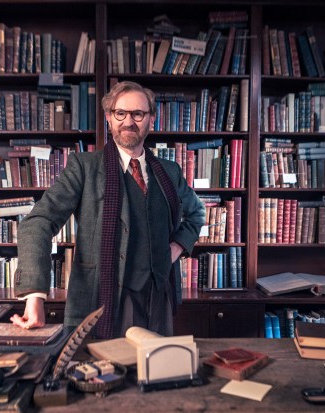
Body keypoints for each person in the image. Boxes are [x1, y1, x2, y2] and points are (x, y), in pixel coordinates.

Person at [11, 81, 205, 339]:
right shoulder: (84, 167)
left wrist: (177, 246)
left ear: (151, 119)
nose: (128, 121)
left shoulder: (169, 172)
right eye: (120, 113)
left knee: (158, 375)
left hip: (159, 302)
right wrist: (34, 297)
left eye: (138, 114)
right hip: (101, 303)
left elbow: (197, 213)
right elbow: (38, 222)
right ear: (109, 119)